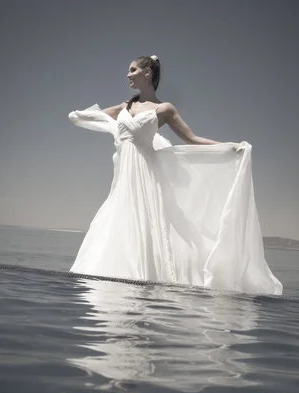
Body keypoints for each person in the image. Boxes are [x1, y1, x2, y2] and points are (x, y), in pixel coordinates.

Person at [68, 55, 282, 295]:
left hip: (146, 178)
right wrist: (76, 115)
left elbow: (191, 138)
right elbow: (95, 117)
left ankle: (146, 291)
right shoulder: (125, 106)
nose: (128, 75)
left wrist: (229, 147)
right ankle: (112, 289)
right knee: (117, 224)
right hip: (124, 180)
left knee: (146, 227)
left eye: (133, 70)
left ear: (147, 73)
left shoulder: (164, 109)